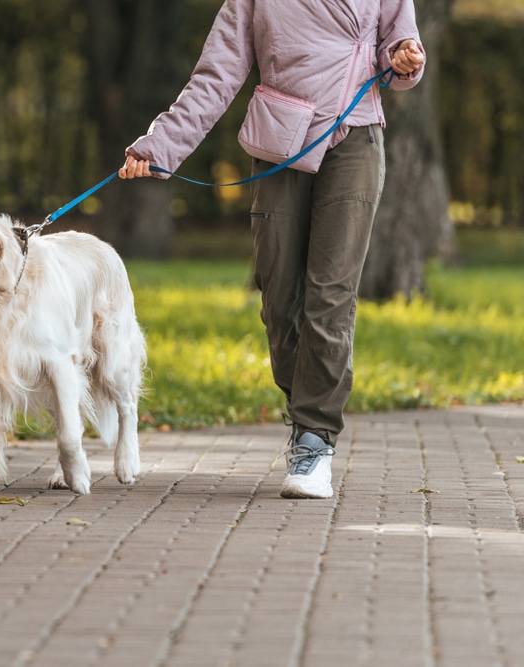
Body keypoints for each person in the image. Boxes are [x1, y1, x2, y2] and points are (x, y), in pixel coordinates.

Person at [119, 1, 426, 499]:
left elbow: (401, 49)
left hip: (355, 139)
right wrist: (160, 146)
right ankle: (305, 402)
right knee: (279, 300)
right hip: (281, 139)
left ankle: (313, 436)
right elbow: (216, 75)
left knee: (330, 295)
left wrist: (405, 58)